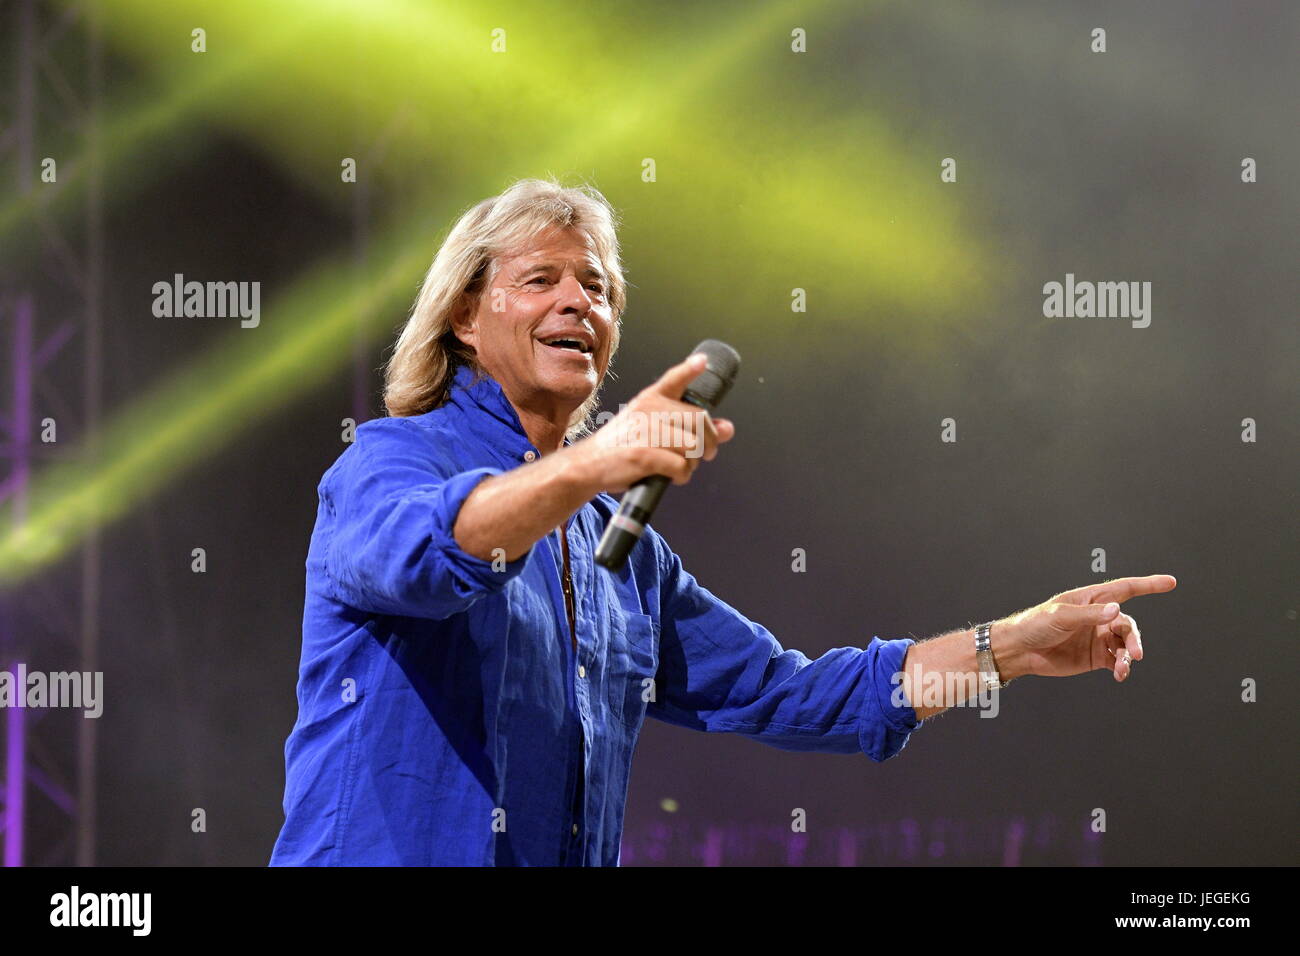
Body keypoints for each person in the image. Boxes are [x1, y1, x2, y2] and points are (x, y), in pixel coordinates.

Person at [270, 178, 1176, 866]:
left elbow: (799, 693)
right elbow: (437, 554)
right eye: (540, 278)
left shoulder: (625, 556)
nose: (579, 302)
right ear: (465, 313)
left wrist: (1011, 645)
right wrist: (602, 461)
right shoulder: (388, 462)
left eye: (597, 286)